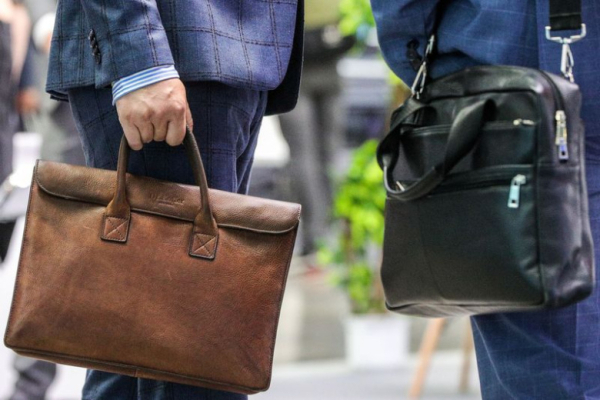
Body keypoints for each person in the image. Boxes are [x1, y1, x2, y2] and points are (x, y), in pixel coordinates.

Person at [44, 1, 304, 399]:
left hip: (228, 57)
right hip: (169, 55)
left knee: (156, 361)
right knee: (188, 362)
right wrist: (138, 58)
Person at [369, 0, 600, 398]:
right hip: (519, 88)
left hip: (507, 83)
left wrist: (434, 70)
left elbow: (403, 16)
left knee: (539, 363)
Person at [278, 0, 354, 257]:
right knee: (328, 154)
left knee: (304, 156)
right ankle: (331, 234)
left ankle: (317, 236)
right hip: (328, 69)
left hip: (296, 73)